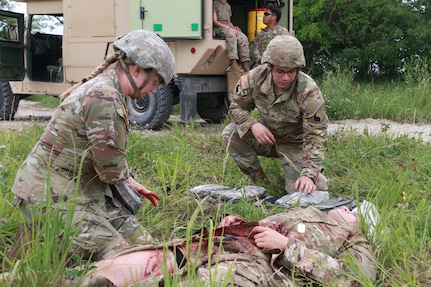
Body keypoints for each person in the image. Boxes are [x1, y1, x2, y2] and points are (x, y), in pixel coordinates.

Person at [8, 30, 175, 263]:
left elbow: (106, 153)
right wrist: (122, 176)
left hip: (80, 189)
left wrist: (129, 180)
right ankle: (46, 266)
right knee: (121, 258)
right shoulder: (104, 96)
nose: (155, 90)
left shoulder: (112, 91)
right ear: (137, 70)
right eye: (155, 82)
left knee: (146, 248)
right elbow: (109, 170)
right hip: (49, 195)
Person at [74, 205, 377, 287]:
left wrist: (287, 247)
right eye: (350, 208)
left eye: (356, 214)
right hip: (228, 241)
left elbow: (352, 281)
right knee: (145, 262)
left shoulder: (354, 241)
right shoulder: (312, 213)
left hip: (257, 267)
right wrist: (237, 223)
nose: (349, 211)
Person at [222, 35, 329, 194]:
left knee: (306, 192)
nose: (285, 78)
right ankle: (259, 181)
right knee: (231, 133)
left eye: (291, 72)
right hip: (268, 138)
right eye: (280, 71)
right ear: (269, 67)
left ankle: (316, 177)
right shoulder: (253, 79)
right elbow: (236, 107)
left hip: (295, 145)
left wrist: (308, 174)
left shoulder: (308, 92)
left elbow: (316, 135)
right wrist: (253, 124)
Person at [213, 0, 251, 73]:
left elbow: (228, 22)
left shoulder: (228, 6)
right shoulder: (215, 3)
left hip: (227, 27)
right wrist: (229, 29)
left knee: (243, 37)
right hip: (219, 28)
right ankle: (233, 63)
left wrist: (234, 28)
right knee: (231, 36)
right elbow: (215, 21)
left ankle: (245, 63)